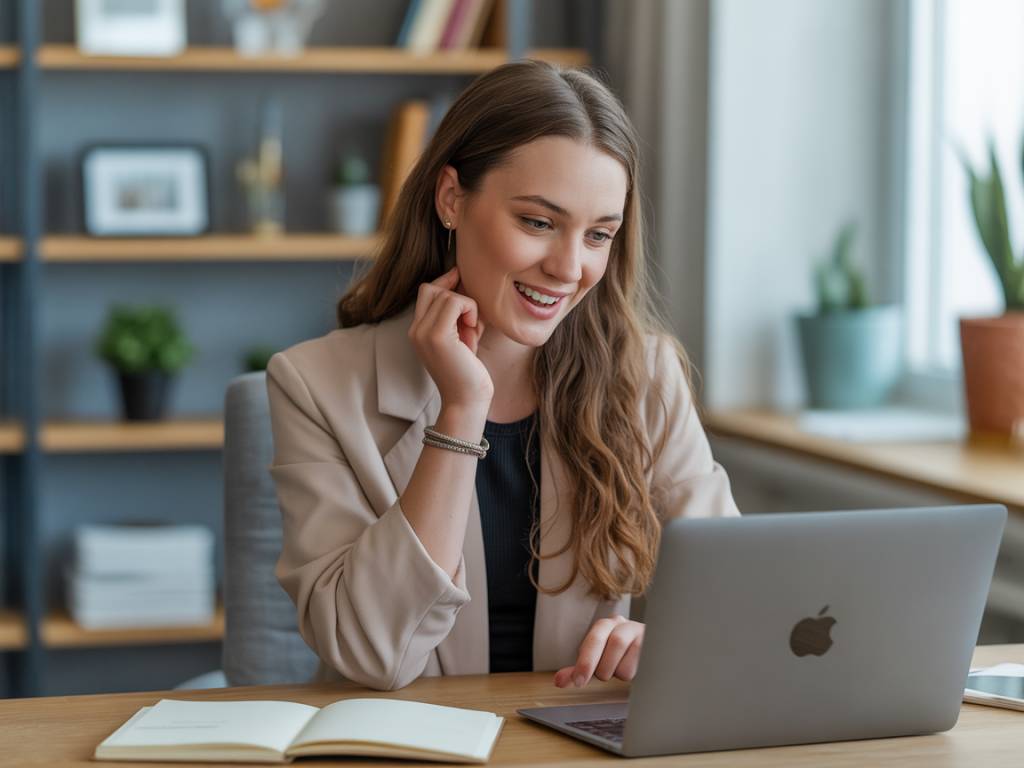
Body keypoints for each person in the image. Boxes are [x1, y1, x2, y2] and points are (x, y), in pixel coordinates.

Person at [265, 59, 740, 692]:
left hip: (572, 731)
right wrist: (462, 411)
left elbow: (735, 600)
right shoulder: (314, 384)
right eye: (538, 223)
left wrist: (671, 641)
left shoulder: (645, 377)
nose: (569, 268)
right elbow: (371, 652)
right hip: (405, 736)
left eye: (598, 235)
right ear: (452, 198)